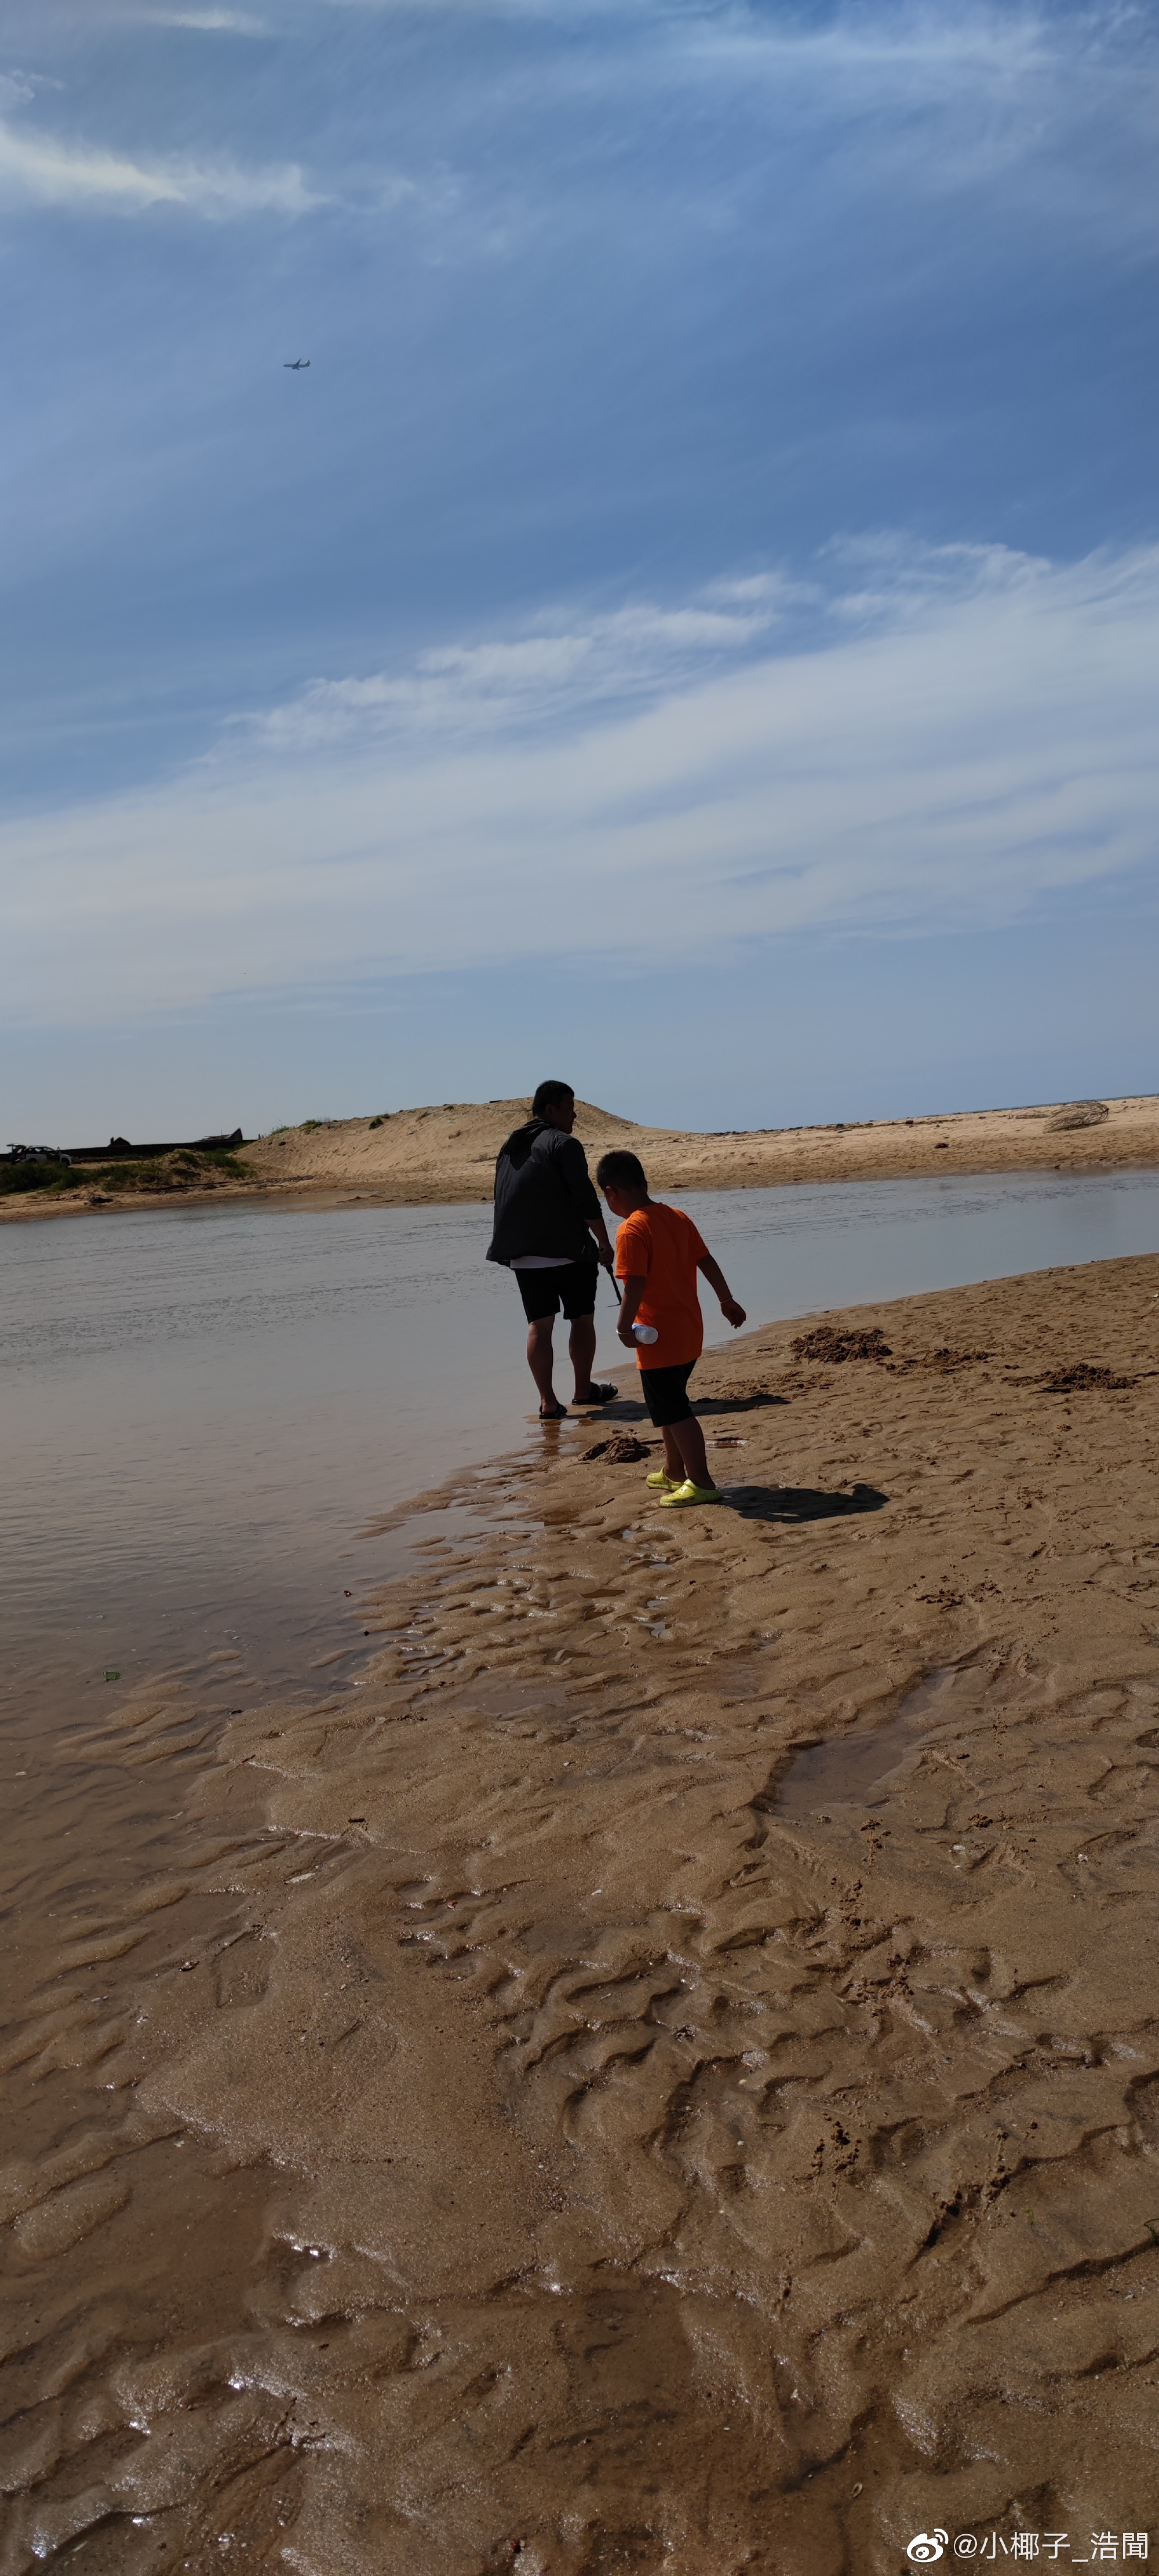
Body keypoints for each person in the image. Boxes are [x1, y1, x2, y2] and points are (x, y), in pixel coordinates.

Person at [596, 1148, 746, 1505]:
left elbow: (634, 1284)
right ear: (644, 1183)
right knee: (667, 1405)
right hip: (690, 1329)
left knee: (675, 1411)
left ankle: (702, 1481)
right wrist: (726, 1299)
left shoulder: (631, 1228)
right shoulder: (677, 1217)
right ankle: (674, 1471)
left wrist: (621, 1329)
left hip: (657, 1335)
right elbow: (705, 1260)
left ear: (611, 1192)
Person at [488, 1082, 619, 1420]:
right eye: (570, 1107)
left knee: (538, 1326)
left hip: (523, 1255)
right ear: (551, 1110)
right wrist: (605, 1242)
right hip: (568, 1251)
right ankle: (583, 1390)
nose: (575, 1114)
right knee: (582, 1318)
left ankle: (548, 1403)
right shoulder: (565, 1144)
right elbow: (584, 1197)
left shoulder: (510, 1146)